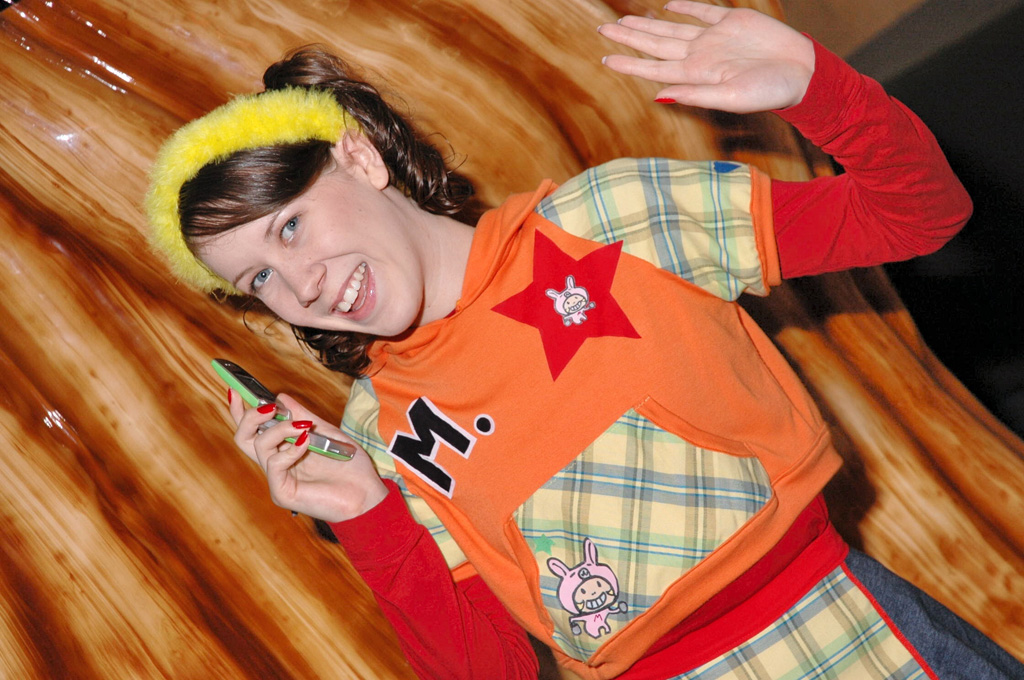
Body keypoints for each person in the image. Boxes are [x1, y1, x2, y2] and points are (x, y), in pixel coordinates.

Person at [146, 2, 1024, 678]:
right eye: (259, 279)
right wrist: (367, 517)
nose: (300, 286)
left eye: (290, 226)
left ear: (360, 158)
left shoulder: (607, 219)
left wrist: (816, 89)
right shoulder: (381, 432)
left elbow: (919, 215)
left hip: (854, 634)